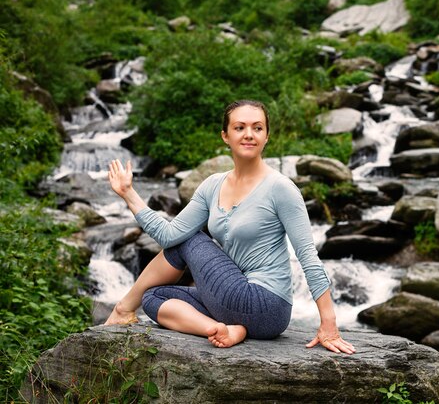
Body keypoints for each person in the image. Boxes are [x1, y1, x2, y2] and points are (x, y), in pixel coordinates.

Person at [104, 99, 355, 354]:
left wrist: (329, 323)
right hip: (231, 300)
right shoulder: (212, 185)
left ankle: (123, 310)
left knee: (189, 240)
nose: (249, 134)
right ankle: (222, 329)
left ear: (266, 136)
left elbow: (307, 255)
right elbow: (168, 235)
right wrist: (129, 194)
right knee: (153, 298)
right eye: (239, 127)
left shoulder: (281, 189)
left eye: (257, 128)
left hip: (267, 305)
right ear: (225, 135)